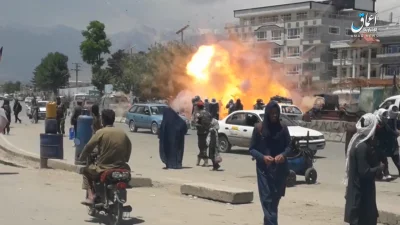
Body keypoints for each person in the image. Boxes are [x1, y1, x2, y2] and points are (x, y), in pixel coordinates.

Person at [249, 101, 291, 225]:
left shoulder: (283, 128)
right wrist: (263, 157)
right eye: (271, 113)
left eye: (276, 113)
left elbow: (289, 146)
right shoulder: (259, 129)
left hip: (279, 171)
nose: (274, 115)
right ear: (267, 114)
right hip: (264, 171)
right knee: (267, 201)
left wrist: (283, 155)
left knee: (274, 202)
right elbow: (252, 149)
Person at [78, 109, 132, 205]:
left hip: (104, 167)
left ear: (102, 120)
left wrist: (81, 158)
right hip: (122, 167)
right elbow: (129, 147)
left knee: (85, 171)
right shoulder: (122, 133)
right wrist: (126, 159)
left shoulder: (101, 132)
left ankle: (91, 197)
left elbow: (88, 147)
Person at [344, 113, 384, 225]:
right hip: (361, 197)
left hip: (360, 195)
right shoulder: (362, 147)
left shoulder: (358, 142)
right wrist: (378, 168)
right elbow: (364, 172)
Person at [383, 105, 400, 176]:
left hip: (393, 143)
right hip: (385, 143)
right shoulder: (386, 120)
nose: (396, 113)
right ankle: (386, 173)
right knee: (383, 159)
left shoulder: (395, 120)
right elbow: (388, 130)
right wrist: (396, 133)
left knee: (397, 159)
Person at [195, 100, 212, 166]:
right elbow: (210, 122)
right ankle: (199, 160)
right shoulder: (208, 113)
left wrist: (198, 125)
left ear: (199, 107)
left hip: (201, 133)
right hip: (207, 132)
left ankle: (205, 161)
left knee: (202, 147)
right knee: (204, 147)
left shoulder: (198, 114)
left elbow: (196, 123)